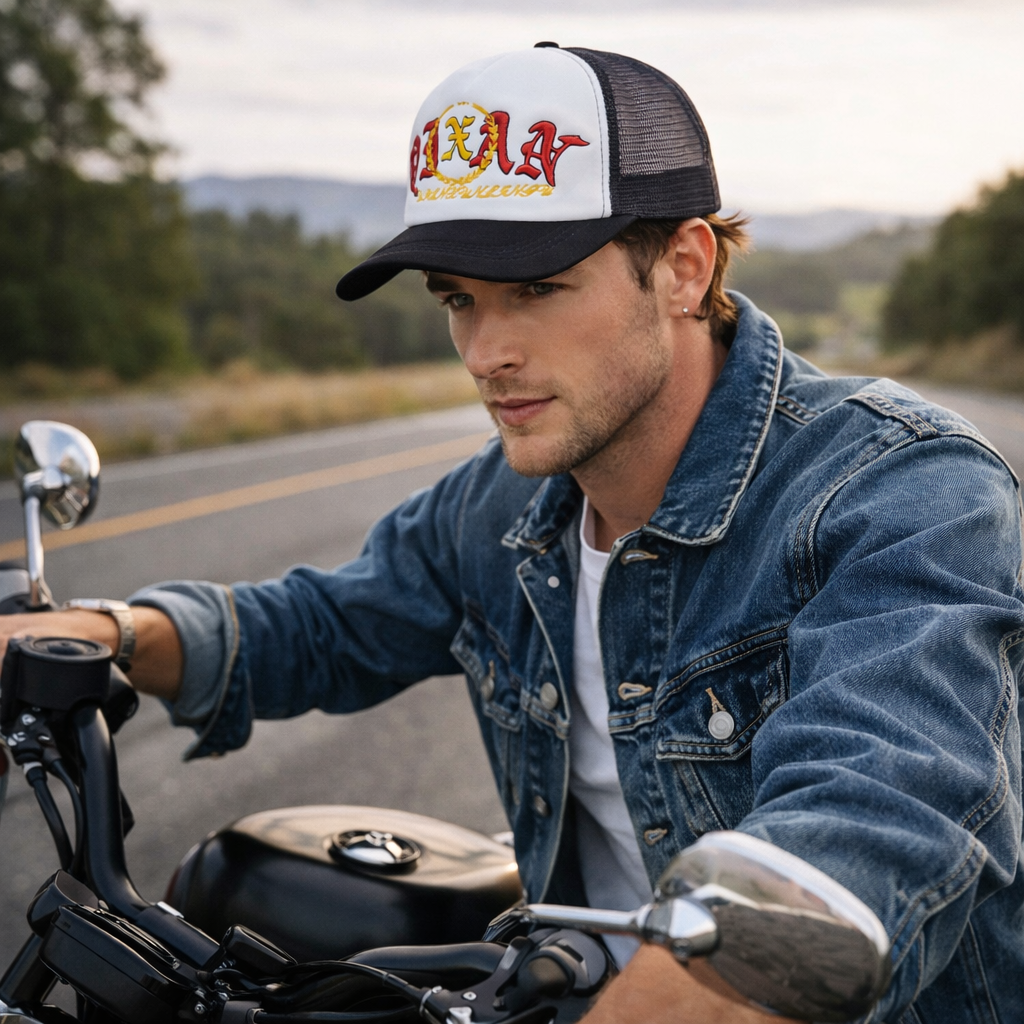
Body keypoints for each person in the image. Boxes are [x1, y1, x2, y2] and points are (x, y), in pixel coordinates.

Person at [2, 44, 1022, 1024]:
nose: (486, 353)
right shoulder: (496, 507)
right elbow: (322, 621)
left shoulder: (897, 489)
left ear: (680, 265)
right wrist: (109, 633)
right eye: (459, 299)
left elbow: (877, 813)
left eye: (535, 290)